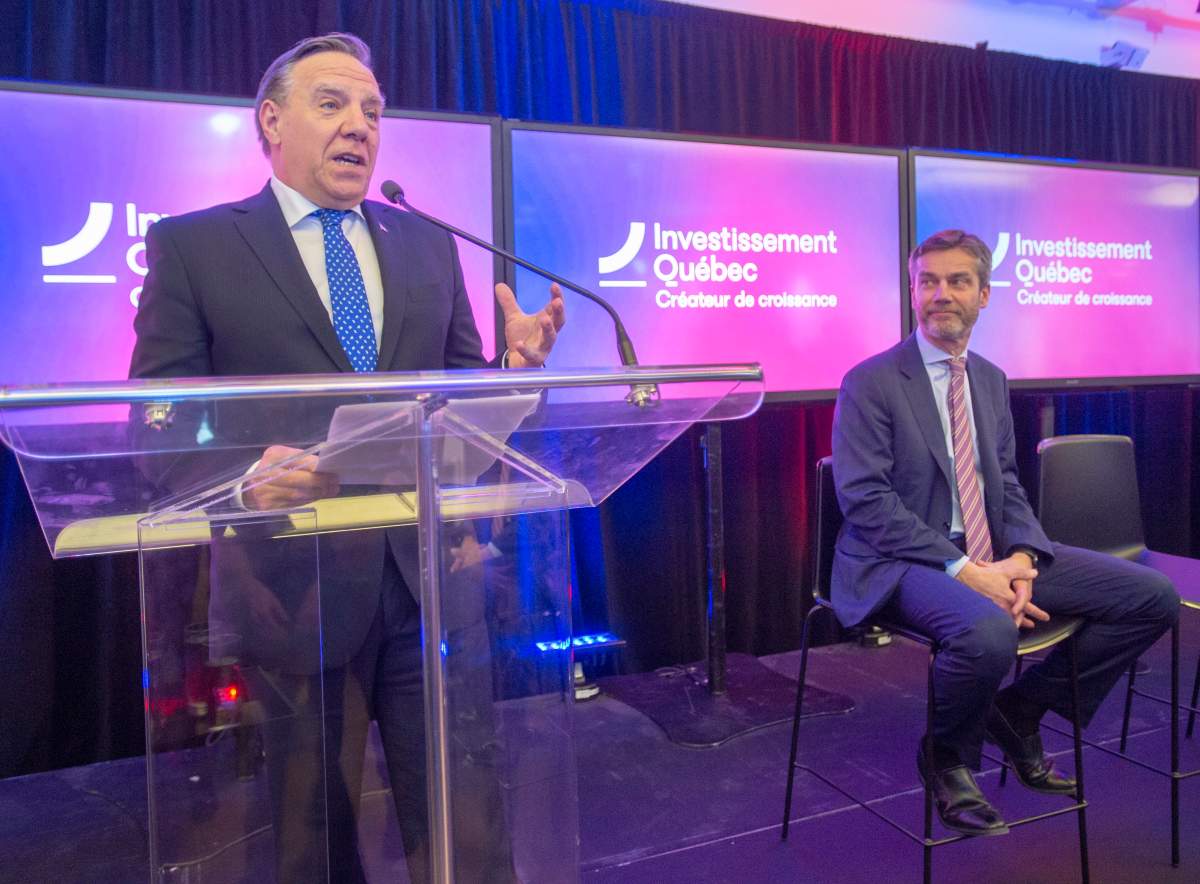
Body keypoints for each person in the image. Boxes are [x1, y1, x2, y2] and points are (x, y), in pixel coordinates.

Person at [129, 32, 565, 882]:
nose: (359, 126)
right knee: (310, 837)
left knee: (464, 821)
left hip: (429, 578)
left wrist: (508, 369)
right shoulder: (195, 246)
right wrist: (244, 479)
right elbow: (161, 419)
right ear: (271, 121)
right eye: (331, 104)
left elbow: (453, 406)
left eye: (372, 111)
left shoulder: (425, 246)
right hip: (292, 588)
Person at [830, 228, 1179, 836]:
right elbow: (866, 500)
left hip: (990, 550)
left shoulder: (989, 379)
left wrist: (1020, 556)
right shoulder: (872, 380)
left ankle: (1020, 709)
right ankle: (946, 759)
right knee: (986, 628)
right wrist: (967, 570)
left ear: (984, 294)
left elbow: (1006, 484)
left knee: (1151, 598)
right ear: (912, 292)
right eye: (928, 282)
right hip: (900, 558)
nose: (942, 294)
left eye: (957, 281)